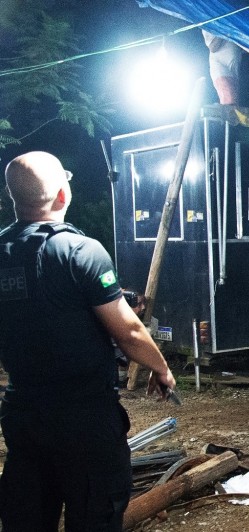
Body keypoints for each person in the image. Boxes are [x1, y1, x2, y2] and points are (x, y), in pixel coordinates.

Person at [0, 152, 177, 531]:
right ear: (62, 197)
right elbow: (128, 331)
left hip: (24, 416)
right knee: (96, 516)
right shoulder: (79, 251)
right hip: (86, 422)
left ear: (13, 197)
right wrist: (160, 368)